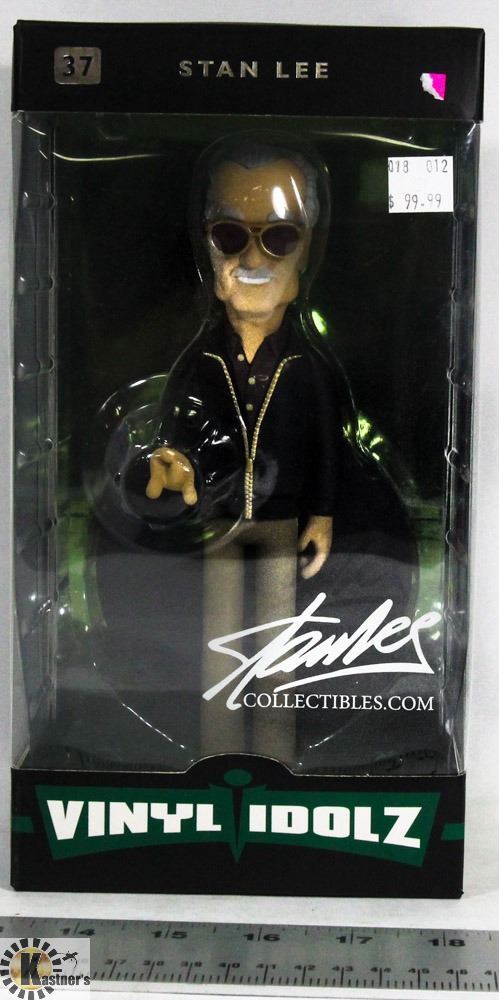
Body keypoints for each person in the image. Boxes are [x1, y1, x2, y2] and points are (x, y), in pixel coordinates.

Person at [138, 139, 342, 760]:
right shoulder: (199, 362)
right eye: (230, 235)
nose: (253, 257)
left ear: (305, 250)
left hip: (281, 522)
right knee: (218, 643)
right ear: (208, 246)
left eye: (279, 237)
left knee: (277, 645)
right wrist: (172, 466)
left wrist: (323, 516)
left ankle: (276, 756)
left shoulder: (308, 366)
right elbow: (174, 432)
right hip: (220, 520)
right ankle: (218, 751)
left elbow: (328, 447)